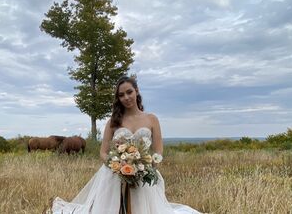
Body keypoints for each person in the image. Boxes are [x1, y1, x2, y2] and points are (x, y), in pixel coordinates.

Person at [51, 76, 201, 214]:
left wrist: (146, 168)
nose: (126, 97)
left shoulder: (151, 119)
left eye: (129, 92)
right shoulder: (113, 122)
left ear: (136, 91)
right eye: (121, 95)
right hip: (114, 175)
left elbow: (158, 150)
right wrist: (117, 166)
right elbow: (103, 152)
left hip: (143, 174)